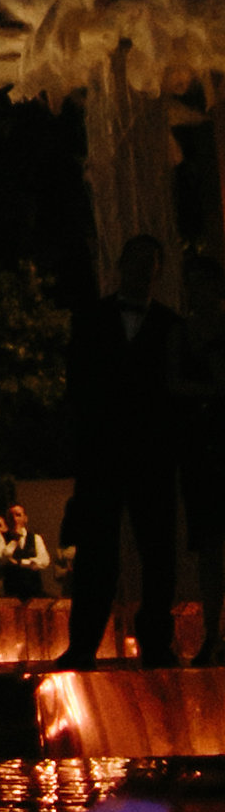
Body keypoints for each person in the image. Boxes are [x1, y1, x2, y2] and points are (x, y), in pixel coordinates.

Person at [58, 233, 180, 670]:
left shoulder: (168, 326)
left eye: (150, 263)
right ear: (123, 265)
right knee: (98, 553)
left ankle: (153, 642)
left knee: (156, 552)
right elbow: (77, 388)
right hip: (106, 453)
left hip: (149, 454)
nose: (143, 270)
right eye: (138, 262)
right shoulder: (96, 319)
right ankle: (85, 642)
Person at [176, 246, 225, 667]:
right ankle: (214, 631)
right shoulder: (183, 332)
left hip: (214, 442)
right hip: (201, 449)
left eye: (201, 284)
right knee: (210, 544)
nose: (195, 293)